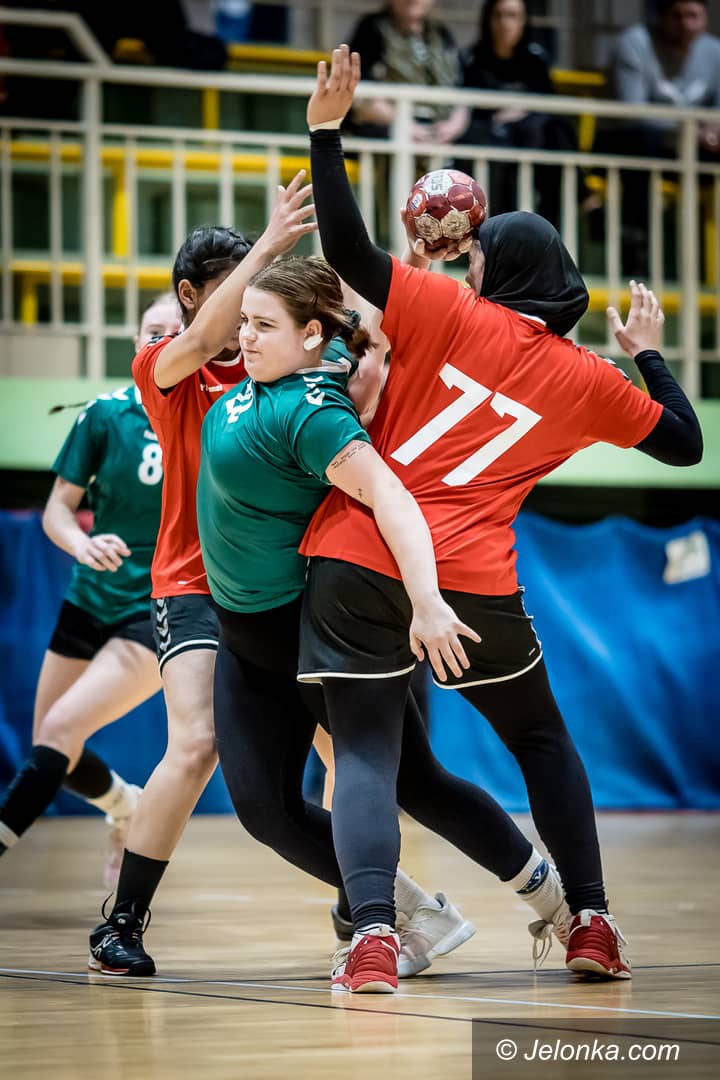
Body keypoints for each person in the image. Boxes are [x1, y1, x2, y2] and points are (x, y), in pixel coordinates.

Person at [298, 45, 703, 991]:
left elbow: (348, 254)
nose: (467, 263)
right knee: (541, 741)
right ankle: (590, 922)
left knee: (366, 750)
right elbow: (686, 444)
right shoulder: (591, 382)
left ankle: (372, 938)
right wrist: (646, 357)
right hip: (477, 584)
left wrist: (326, 133)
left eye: (478, 255)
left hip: (358, 556)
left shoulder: (449, 313)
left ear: (502, 267)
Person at [198, 253, 573, 992]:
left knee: (419, 783)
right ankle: (417, 913)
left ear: (308, 336)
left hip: (301, 629)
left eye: (262, 325)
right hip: (241, 635)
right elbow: (357, 322)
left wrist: (428, 601)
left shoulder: (314, 413)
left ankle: (555, 903)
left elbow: (393, 498)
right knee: (266, 813)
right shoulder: (299, 367)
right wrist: (405, 270)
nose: (244, 337)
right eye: (244, 321)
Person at [85, 177, 320, 976]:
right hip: (192, 585)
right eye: (234, 293)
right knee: (195, 744)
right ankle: (122, 923)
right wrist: (271, 245)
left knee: (345, 742)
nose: (247, 313)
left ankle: (372, 911)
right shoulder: (167, 365)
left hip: (280, 585)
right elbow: (204, 336)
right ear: (191, 296)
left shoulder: (273, 365)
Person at [0, 294, 181, 889]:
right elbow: (58, 509)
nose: (161, 339)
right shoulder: (106, 414)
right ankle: (124, 805)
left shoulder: (208, 416)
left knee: (58, 733)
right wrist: (81, 544)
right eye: (152, 330)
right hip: (88, 597)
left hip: (153, 607)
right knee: (51, 742)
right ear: (135, 341)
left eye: (175, 331)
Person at [608, 0, 720, 274]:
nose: (686, 25)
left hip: (696, 148)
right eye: (677, 16)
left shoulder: (714, 51)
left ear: (705, 19)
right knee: (640, 142)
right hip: (639, 143)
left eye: (693, 16)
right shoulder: (635, 43)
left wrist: (711, 131)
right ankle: (636, 257)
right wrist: (691, 131)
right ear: (660, 18)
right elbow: (632, 112)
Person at [459, 0, 584, 226]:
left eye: (512, 16)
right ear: (488, 20)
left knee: (557, 130)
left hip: (534, 143)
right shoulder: (473, 59)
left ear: (524, 22)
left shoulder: (535, 61)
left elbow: (548, 106)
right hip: (492, 141)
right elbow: (472, 113)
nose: (505, 23)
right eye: (499, 15)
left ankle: (556, 221)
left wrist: (520, 111)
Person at [347, 0, 468, 144]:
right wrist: (407, 127)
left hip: (439, 128)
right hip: (389, 126)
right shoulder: (373, 27)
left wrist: (452, 127)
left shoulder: (440, 32)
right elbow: (360, 90)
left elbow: (459, 86)